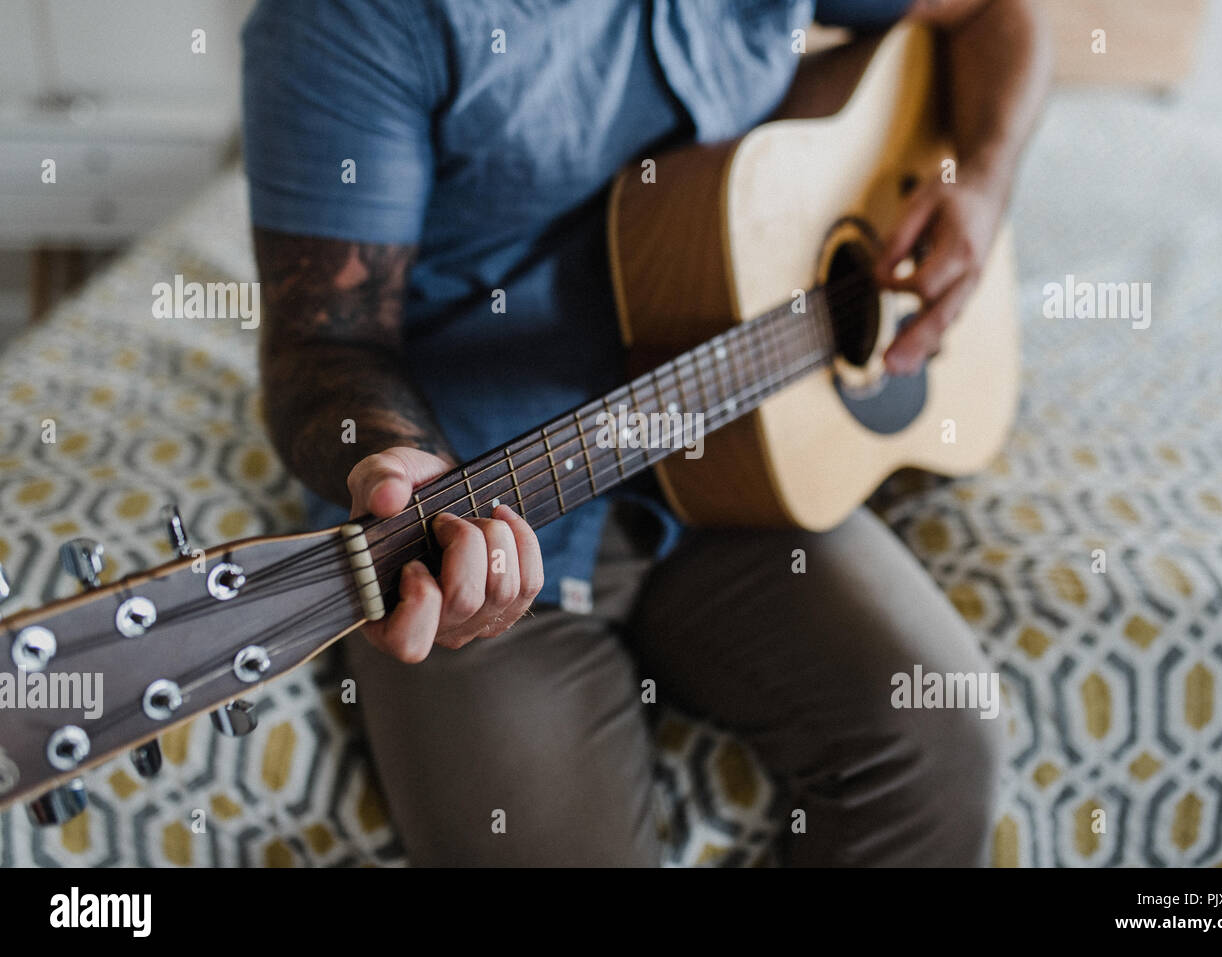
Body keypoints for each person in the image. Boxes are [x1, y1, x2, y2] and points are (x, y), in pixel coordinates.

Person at [242, 0, 1050, 865]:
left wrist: (982, 177)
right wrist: (395, 461)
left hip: (741, 457)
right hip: (486, 516)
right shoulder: (349, 20)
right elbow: (326, 339)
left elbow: (998, 12)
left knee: (941, 732)